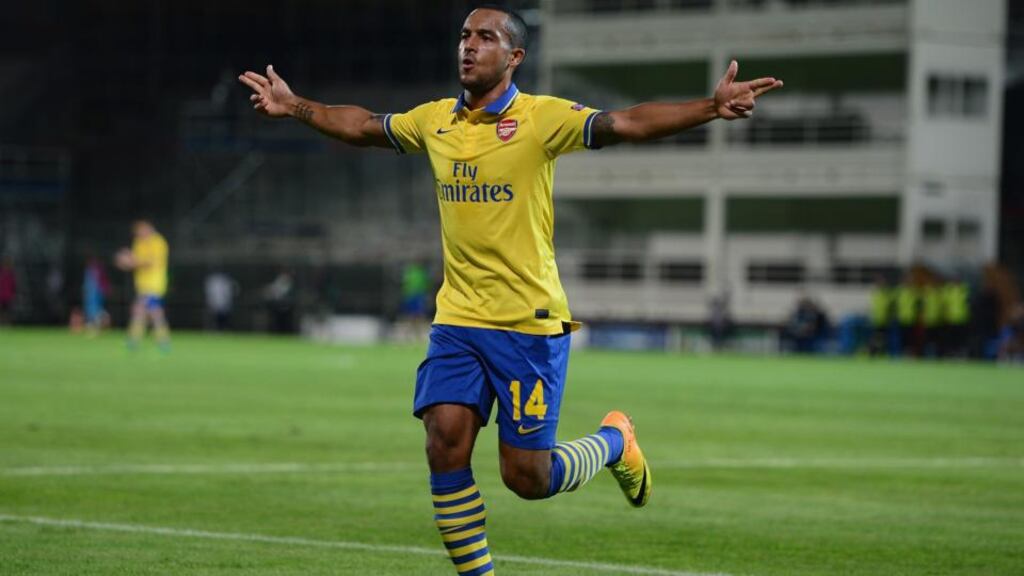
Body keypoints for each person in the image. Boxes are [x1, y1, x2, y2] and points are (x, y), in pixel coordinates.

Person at [239, 6, 782, 574]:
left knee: (527, 478)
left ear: (515, 56)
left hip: (528, 323)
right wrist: (294, 105)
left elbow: (626, 123)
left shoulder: (541, 118)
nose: (468, 47)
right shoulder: (434, 121)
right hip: (458, 320)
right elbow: (361, 126)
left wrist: (710, 108)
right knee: (443, 441)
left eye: (485, 37)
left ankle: (615, 441)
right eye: (464, 36)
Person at [115, 219, 171, 350]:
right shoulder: (138, 242)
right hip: (142, 285)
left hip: (155, 284)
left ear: (148, 228)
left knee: (140, 310)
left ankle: (134, 340)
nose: (139, 235)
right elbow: (136, 261)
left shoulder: (158, 242)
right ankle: (163, 341)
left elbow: (149, 262)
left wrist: (130, 261)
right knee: (153, 313)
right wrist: (126, 261)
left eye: (141, 231)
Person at [82, 254, 111, 336]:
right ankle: (93, 328)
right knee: (91, 311)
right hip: (91, 294)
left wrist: (104, 290)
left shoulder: (98, 270)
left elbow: (103, 282)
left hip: (97, 293)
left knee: (96, 311)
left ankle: (97, 328)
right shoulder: (89, 270)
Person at [0, 257, 16, 326]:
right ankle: (2, 323)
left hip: (7, 296)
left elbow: (13, 286)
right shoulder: (1, 273)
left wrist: (13, 295)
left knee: (7, 311)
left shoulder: (11, 274)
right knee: (2, 311)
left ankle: (7, 324)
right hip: (1, 296)